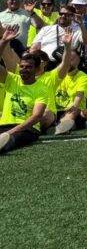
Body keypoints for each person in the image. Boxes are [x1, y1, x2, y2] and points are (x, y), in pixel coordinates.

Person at [0, 26, 52, 155]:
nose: (24, 69)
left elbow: (36, 116)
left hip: (28, 129)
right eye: (22, 66)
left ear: (36, 69)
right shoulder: (11, 80)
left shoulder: (41, 88)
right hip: (5, 125)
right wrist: (4, 41)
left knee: (11, 140)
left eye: (28, 67)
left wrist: (12, 131)